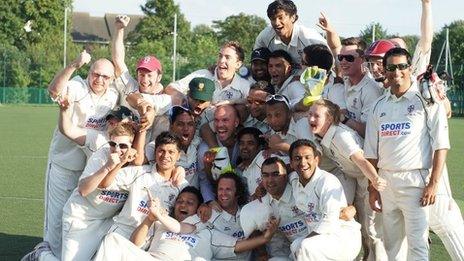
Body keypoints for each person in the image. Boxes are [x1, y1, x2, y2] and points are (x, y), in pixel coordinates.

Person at [364, 48, 450, 260]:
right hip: (385, 182)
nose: (397, 72)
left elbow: (441, 145)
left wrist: (433, 183)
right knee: (393, 247)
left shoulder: (426, 100)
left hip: (416, 182)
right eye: (391, 67)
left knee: (418, 245)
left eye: (402, 66)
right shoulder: (378, 106)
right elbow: (371, 151)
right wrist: (372, 187)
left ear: (410, 68)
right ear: (385, 70)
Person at [37, 50, 119, 260]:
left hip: (90, 169)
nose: (99, 79)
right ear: (89, 72)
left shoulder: (114, 94)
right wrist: (74, 64)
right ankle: (46, 254)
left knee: (79, 219)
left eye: (105, 76)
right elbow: (54, 91)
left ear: (112, 79)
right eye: (95, 74)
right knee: (56, 220)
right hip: (65, 163)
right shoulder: (77, 85)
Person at [308, 99, 388, 260]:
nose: (310, 119)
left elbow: (361, 160)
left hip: (369, 179)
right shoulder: (323, 135)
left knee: (372, 230)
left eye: (316, 116)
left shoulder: (341, 136)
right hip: (357, 180)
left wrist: (375, 180)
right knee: (361, 227)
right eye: (309, 115)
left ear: (329, 119)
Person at [60, 123, 138, 261]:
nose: (117, 149)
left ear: (132, 145)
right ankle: (43, 254)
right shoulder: (102, 155)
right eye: (113, 144)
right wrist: (108, 166)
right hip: (81, 218)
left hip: (107, 221)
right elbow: (83, 190)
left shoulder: (136, 163)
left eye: (123, 146)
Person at [104, 132, 188, 240]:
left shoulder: (183, 186)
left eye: (171, 152)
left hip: (151, 243)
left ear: (179, 155)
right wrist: (120, 163)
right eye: (161, 151)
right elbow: (105, 183)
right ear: (155, 152)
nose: (165, 156)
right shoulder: (139, 172)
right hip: (122, 233)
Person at [288, 139, 362, 260]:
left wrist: (307, 239)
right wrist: (261, 188)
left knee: (304, 246)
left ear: (316, 160)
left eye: (308, 157)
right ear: (291, 163)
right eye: (297, 158)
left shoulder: (327, 181)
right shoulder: (294, 179)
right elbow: (282, 178)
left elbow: (330, 220)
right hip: (320, 241)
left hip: (342, 238)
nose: (303, 162)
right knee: (295, 245)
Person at [165, 41, 250, 105]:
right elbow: (170, 88)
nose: (221, 60)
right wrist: (184, 98)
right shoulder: (202, 75)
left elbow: (253, 103)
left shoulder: (244, 86)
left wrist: (234, 102)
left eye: (227, 57)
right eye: (220, 56)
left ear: (238, 64)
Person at [254, 0, 326, 65]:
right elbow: (256, 61)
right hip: (283, 78)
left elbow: (329, 60)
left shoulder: (309, 37)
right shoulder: (265, 36)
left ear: (293, 17)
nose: (276, 23)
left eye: (280, 18)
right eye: (273, 19)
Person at [145, 106, 201, 187]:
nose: (186, 128)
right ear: (171, 126)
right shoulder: (156, 147)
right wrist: (177, 168)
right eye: (180, 124)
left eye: (190, 124)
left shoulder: (197, 142)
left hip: (194, 197)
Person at [338, 37, 383, 137]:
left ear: (362, 59)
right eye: (340, 57)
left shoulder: (371, 90)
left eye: (349, 58)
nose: (343, 61)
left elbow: (368, 131)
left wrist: (342, 118)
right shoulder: (345, 81)